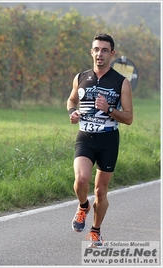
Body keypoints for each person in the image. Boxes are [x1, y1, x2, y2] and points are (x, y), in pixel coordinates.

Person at [66, 33, 133, 248]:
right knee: (81, 179)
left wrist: (110, 109)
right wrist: (72, 112)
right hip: (85, 136)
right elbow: (71, 99)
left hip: (108, 140)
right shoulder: (80, 77)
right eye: (96, 49)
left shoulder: (121, 82)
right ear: (91, 52)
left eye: (104, 50)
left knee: (101, 192)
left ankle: (95, 231)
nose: (99, 54)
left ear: (112, 54)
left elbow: (129, 118)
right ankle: (83, 206)